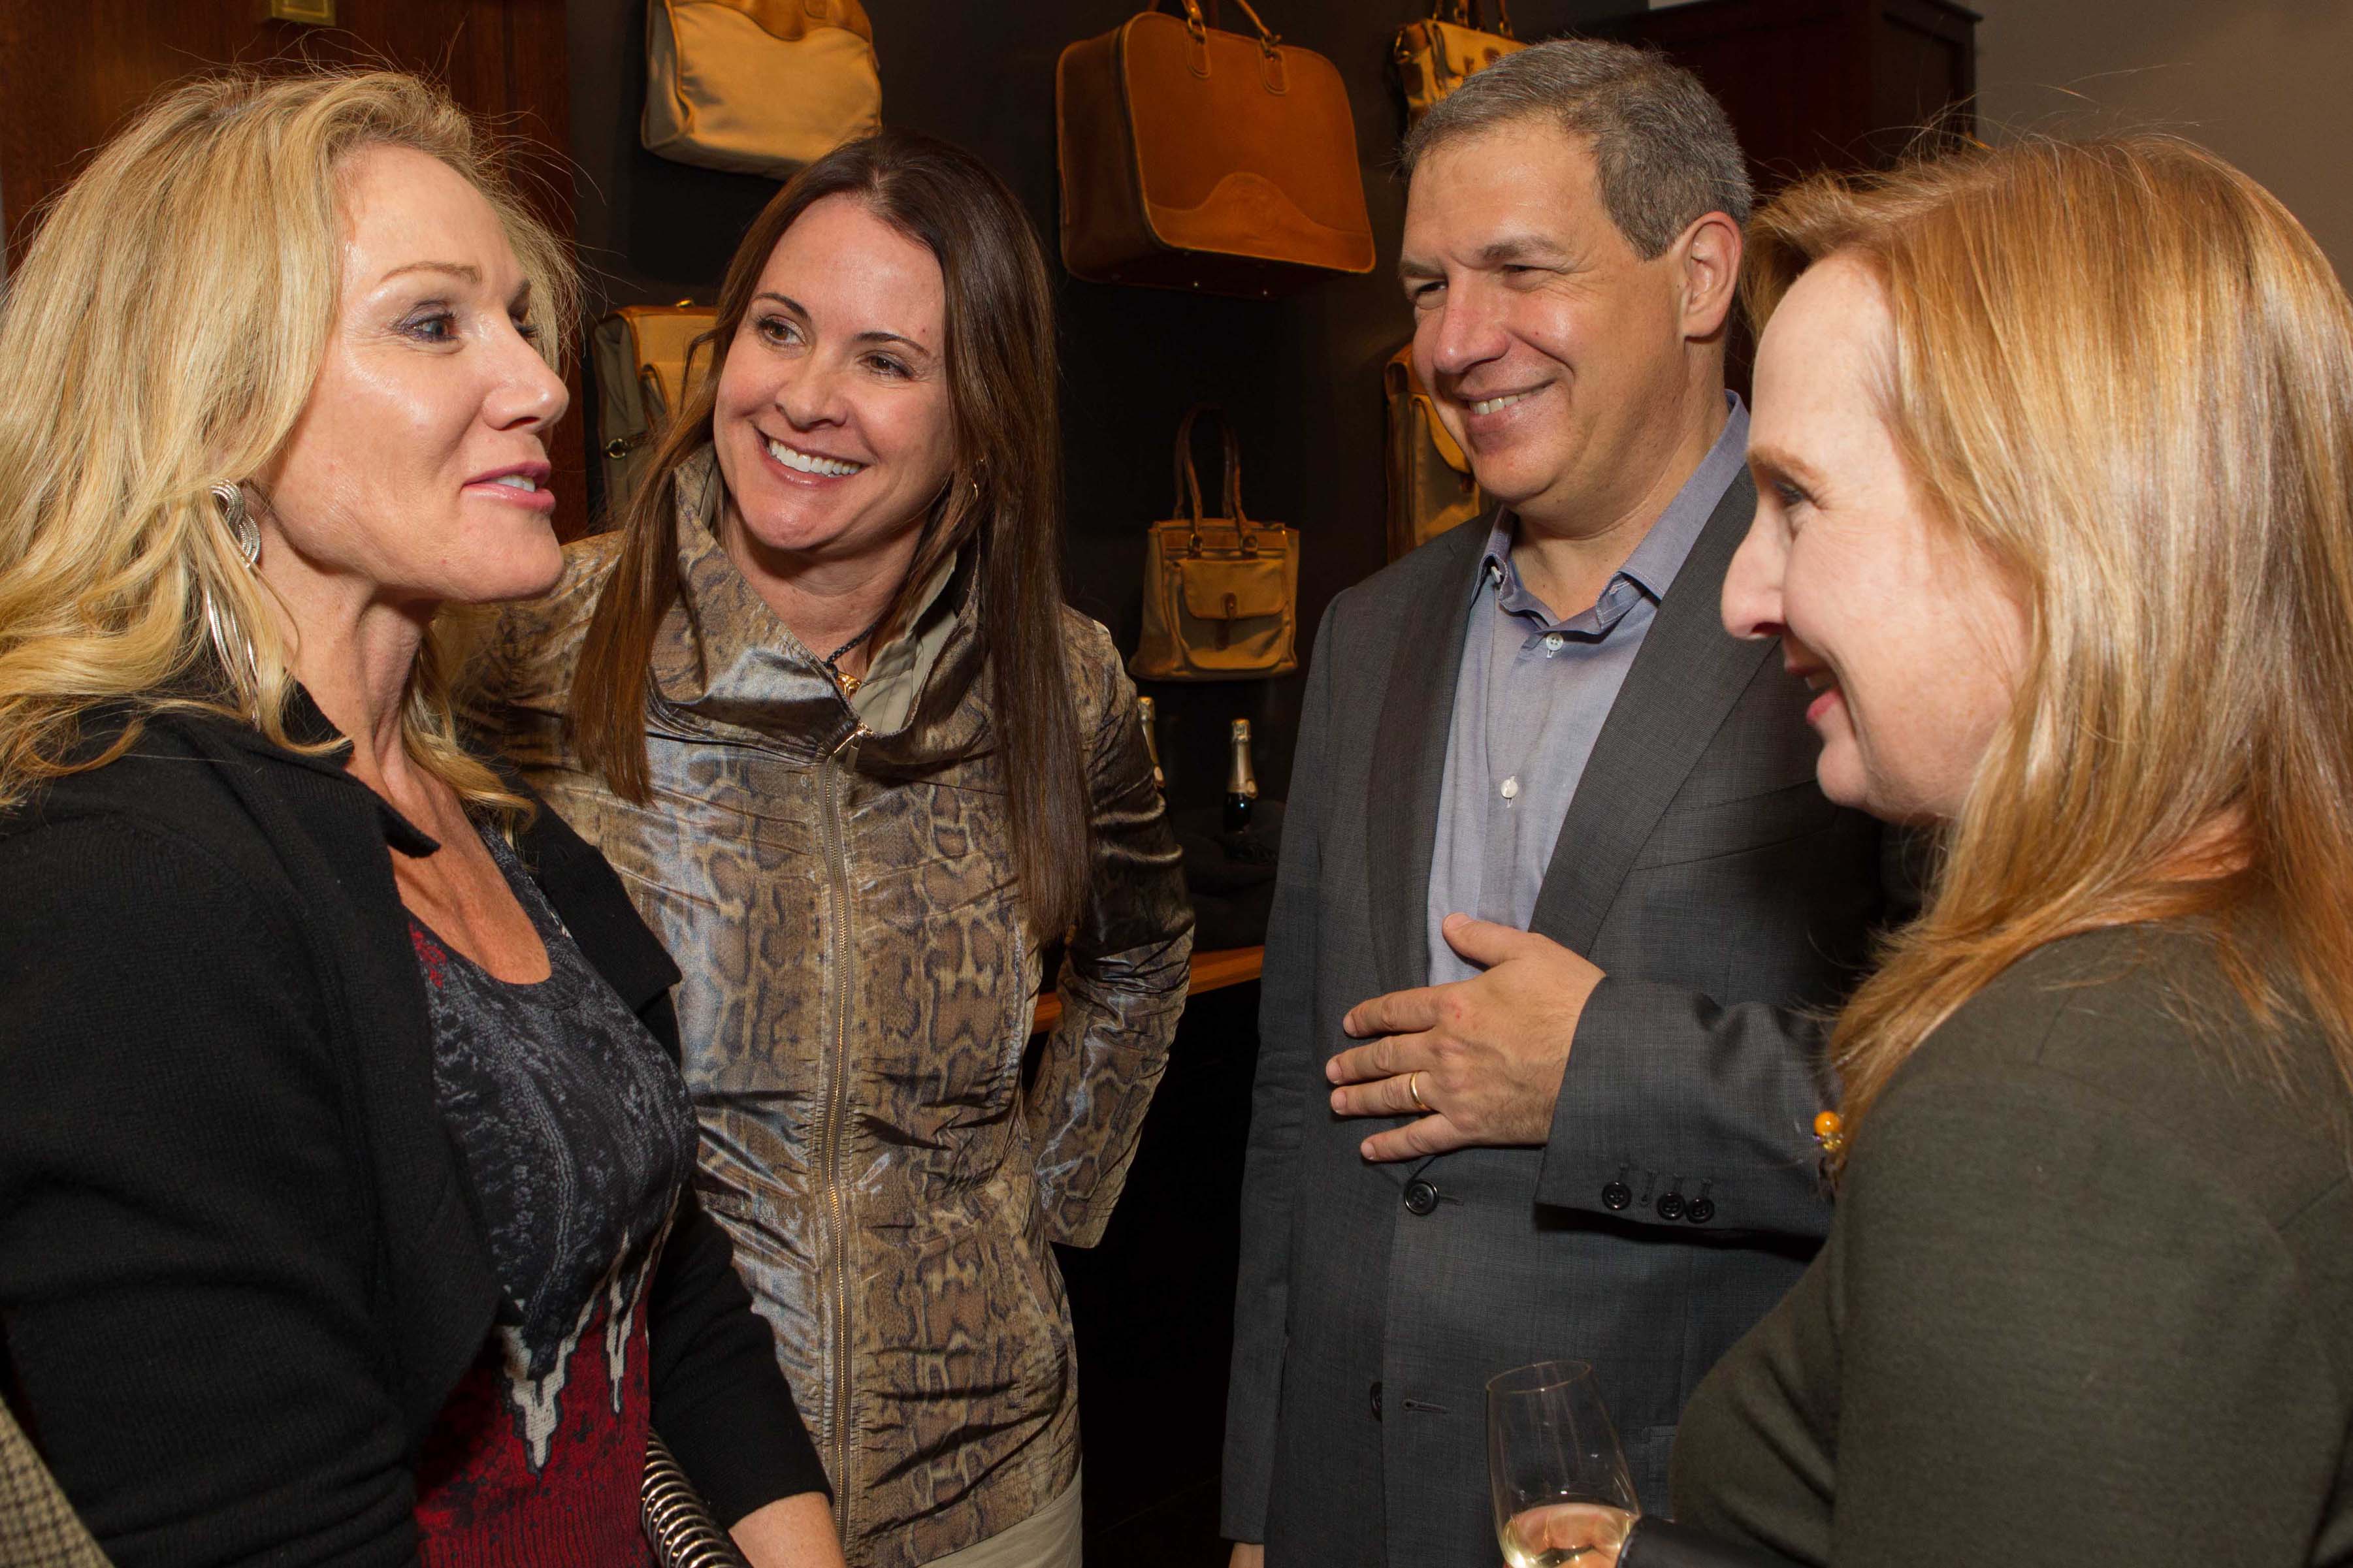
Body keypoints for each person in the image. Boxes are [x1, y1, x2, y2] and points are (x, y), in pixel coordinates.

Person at [0, 71, 841, 1565]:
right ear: (211, 397)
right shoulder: (122, 875)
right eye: (434, 322)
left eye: (515, 317)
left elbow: (677, 1294)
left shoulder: (494, 819)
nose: (542, 384)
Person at [1222, 40, 1910, 1567]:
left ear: (1699, 275)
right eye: (1425, 288)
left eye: (1520, 270)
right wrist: (1265, 1500)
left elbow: (1956, 1113)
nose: (1454, 343)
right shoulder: (1368, 633)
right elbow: (1293, 1108)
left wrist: (1601, 1069)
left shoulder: (1866, 612)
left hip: (1677, 1507)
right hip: (1353, 1499)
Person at [468, 130, 1193, 1568]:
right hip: (659, 1490)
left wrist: (1035, 1209)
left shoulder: (1061, 681)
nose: (805, 396)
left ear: (980, 414)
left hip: (994, 1484)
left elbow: (1143, 954)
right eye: (780, 329)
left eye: (886, 359)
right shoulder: (537, 640)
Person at [1648, 135, 2353, 1567]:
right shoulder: (2253, 956)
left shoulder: (2055, 1128)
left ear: (2045, 525)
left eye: (1796, 499)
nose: (1741, 593)